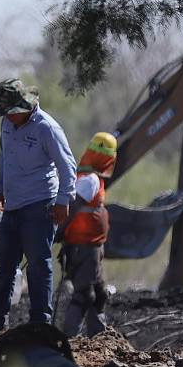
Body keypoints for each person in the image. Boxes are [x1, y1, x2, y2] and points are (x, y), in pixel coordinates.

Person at [0, 78, 77, 333]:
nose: (8, 117)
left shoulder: (47, 128)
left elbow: (68, 167)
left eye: (11, 112)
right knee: (3, 265)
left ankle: (40, 325)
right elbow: (5, 157)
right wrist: (1, 188)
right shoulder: (7, 124)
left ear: (24, 107)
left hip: (39, 204)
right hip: (13, 206)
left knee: (38, 264)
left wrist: (62, 201)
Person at [60, 132, 117, 337]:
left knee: (99, 293)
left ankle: (99, 338)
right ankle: (68, 341)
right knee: (84, 294)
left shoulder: (90, 178)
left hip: (92, 246)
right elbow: (71, 208)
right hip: (84, 247)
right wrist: (59, 233)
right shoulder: (90, 180)